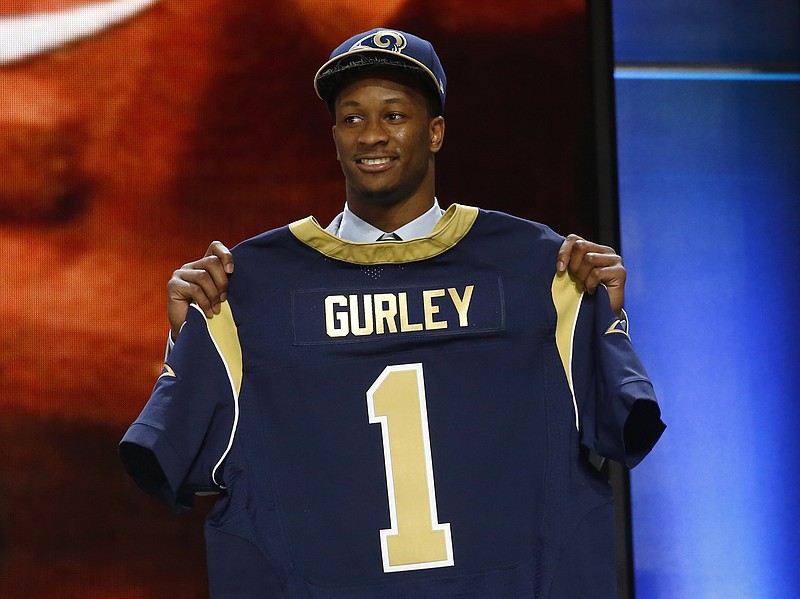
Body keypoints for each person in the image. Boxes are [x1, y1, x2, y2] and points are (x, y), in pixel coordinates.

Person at [120, 28, 664, 598]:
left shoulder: (549, 276)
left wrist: (601, 313)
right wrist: (189, 337)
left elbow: (623, 430)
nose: (372, 134)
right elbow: (184, 466)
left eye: (394, 114)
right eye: (352, 118)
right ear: (333, 136)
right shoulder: (243, 291)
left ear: (436, 133)